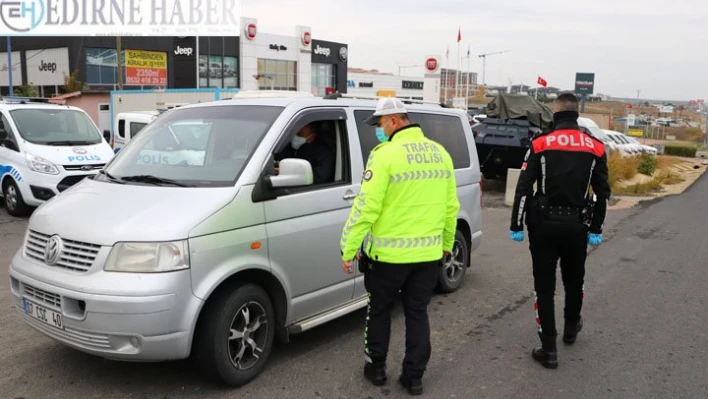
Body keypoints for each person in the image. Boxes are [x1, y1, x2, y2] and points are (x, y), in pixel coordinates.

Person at [339, 97, 460, 395]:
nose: (379, 130)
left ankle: (376, 368)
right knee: (417, 313)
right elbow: (450, 207)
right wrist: (446, 243)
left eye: (380, 124)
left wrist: (348, 246)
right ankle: (414, 377)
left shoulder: (384, 155)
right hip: (428, 256)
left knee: (379, 310)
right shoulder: (440, 153)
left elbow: (366, 207)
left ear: (394, 121)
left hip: (388, 258)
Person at [509, 93, 611, 369]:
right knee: (574, 281)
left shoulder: (540, 143)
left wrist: (516, 224)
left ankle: (549, 348)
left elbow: (523, 188)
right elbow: (603, 193)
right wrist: (596, 227)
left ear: (555, 113)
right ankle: (570, 330)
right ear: (576, 115)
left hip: (542, 225)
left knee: (544, 287)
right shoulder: (595, 147)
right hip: (578, 225)